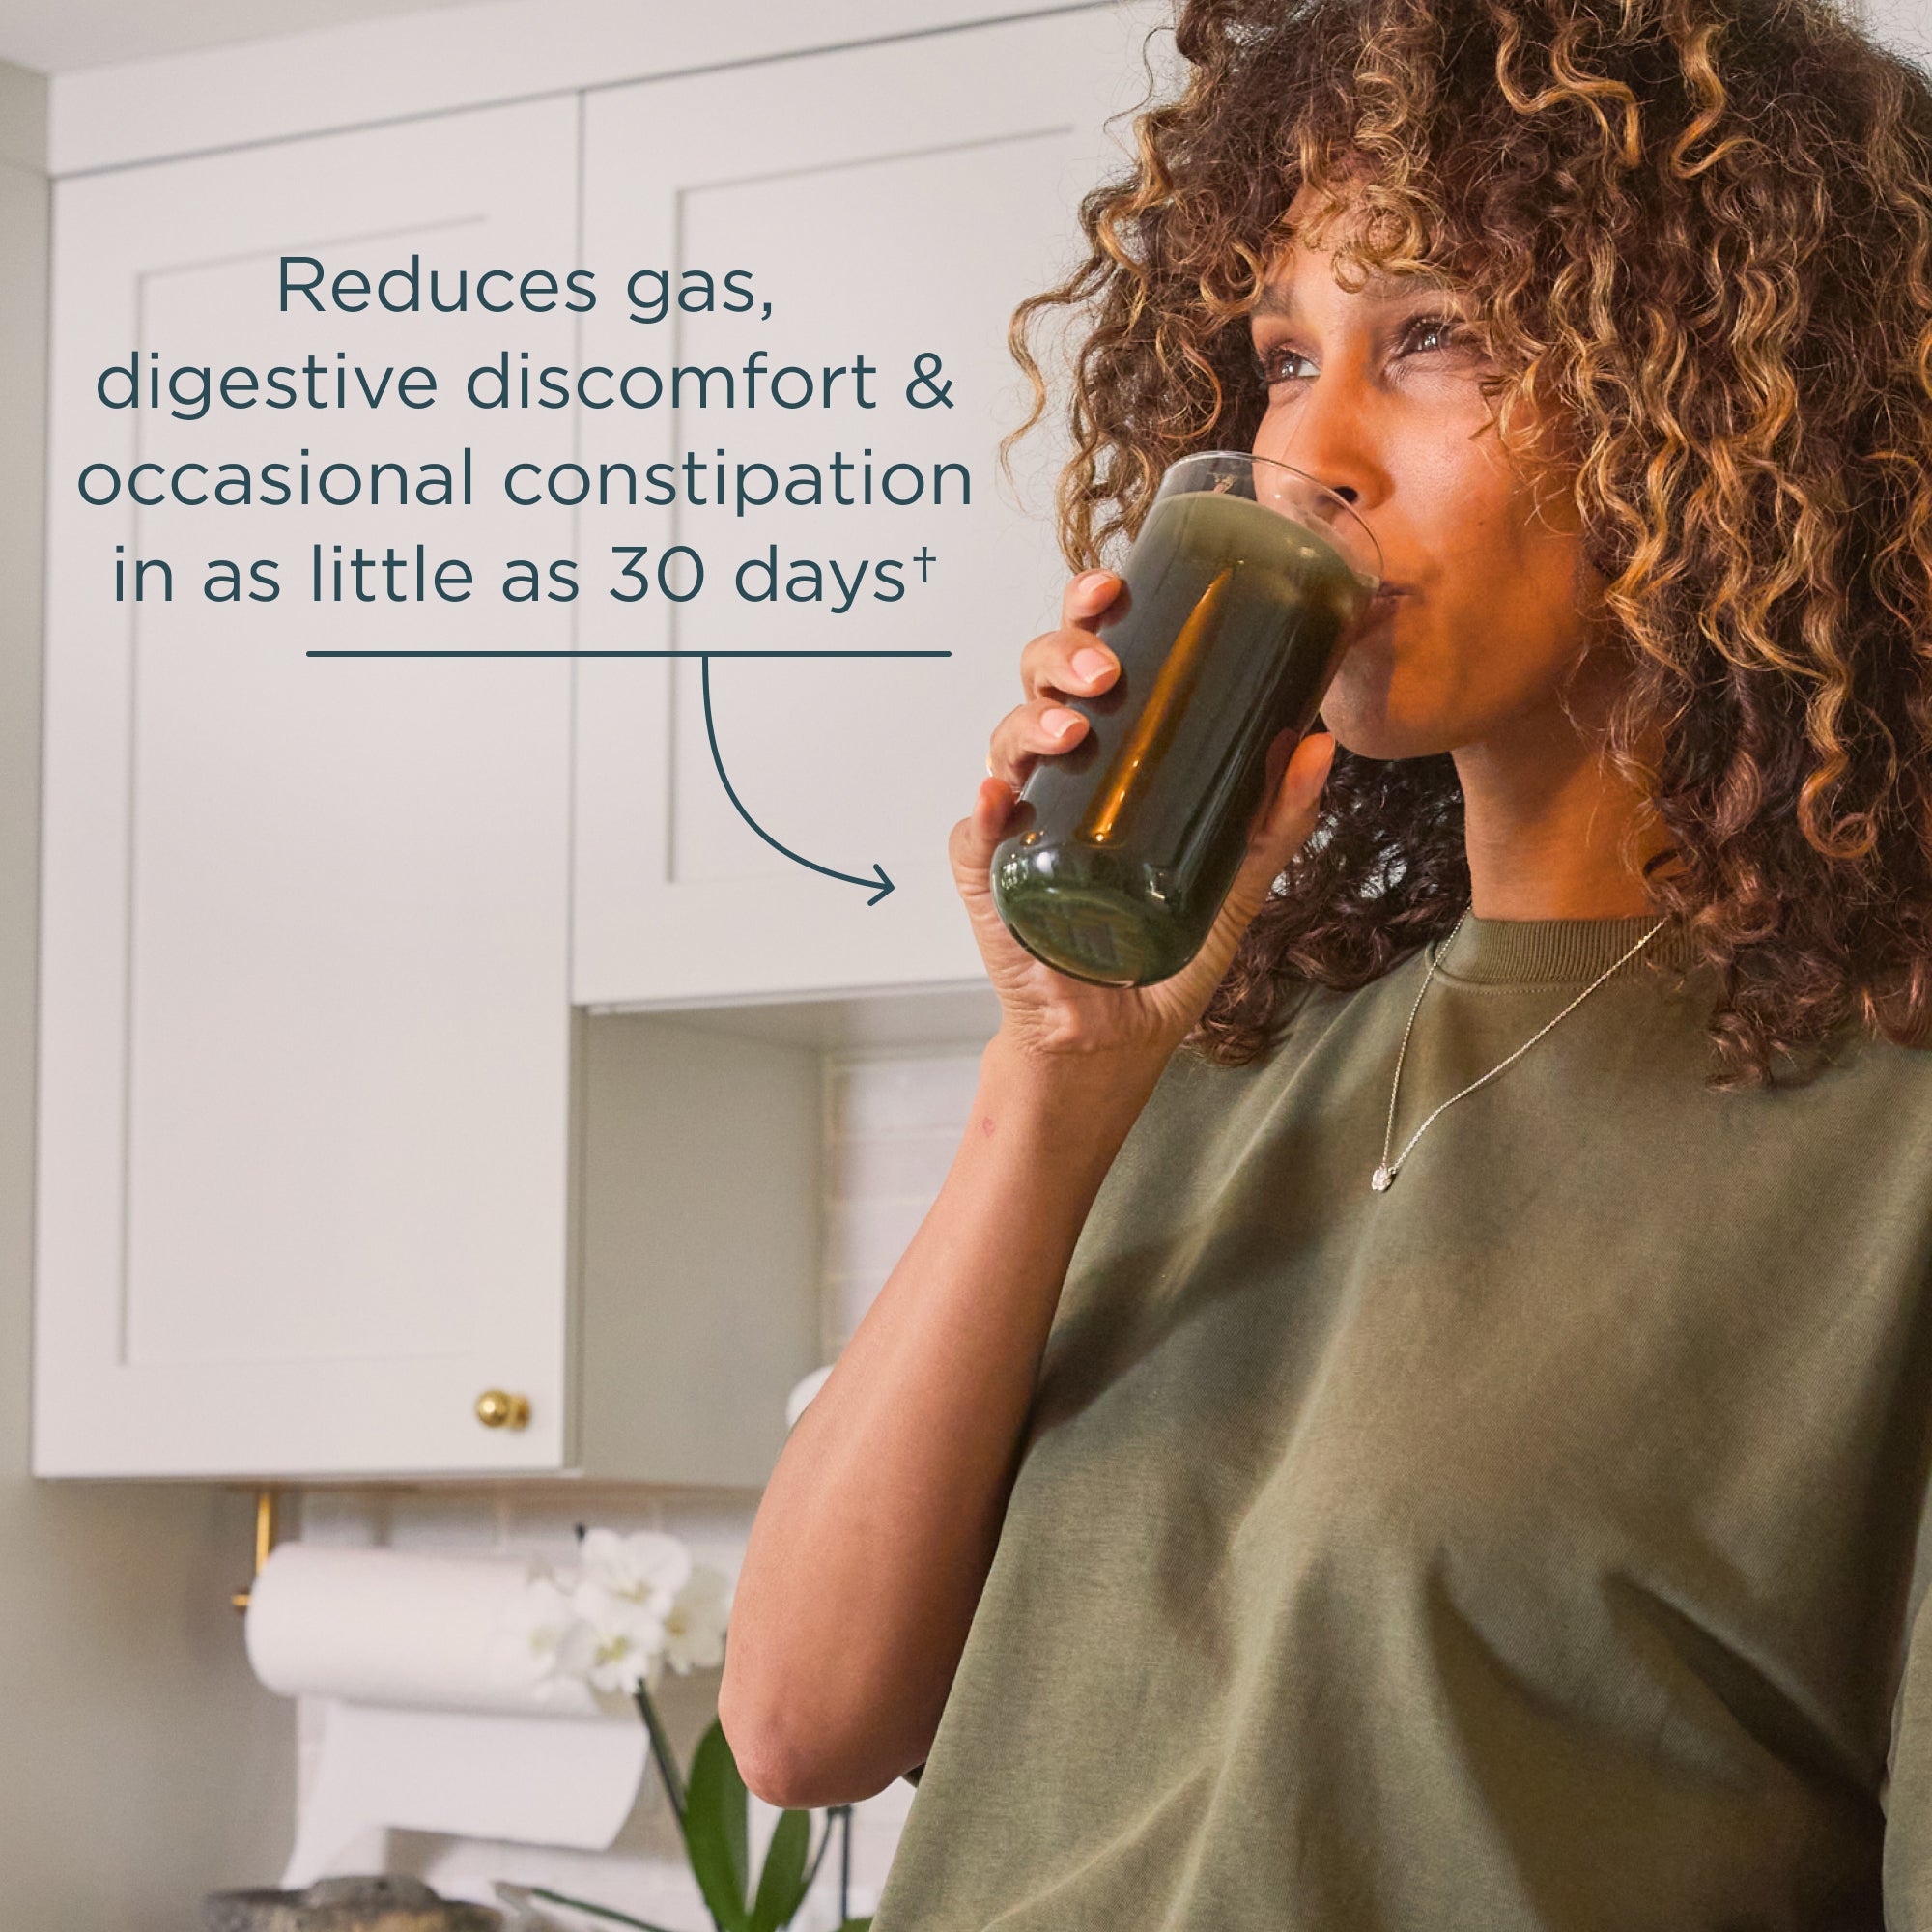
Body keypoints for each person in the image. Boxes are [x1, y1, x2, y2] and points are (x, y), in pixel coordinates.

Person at [718, 0, 1932, 1922]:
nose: (1306, 451)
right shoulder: (1199, 1058)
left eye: (1428, 337)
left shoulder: (1884, 1148)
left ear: (1721, 403)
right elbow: (799, 1726)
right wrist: (1055, 1080)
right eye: (1283, 356)